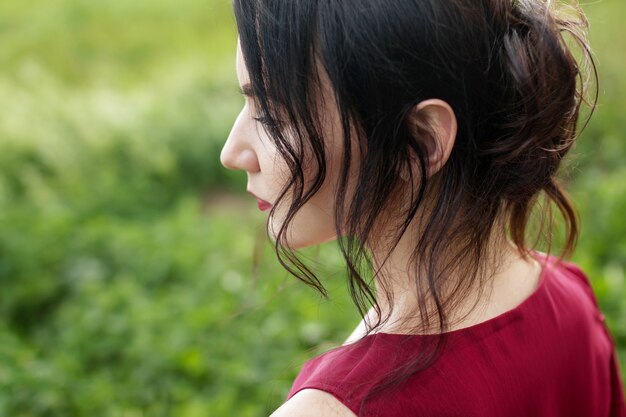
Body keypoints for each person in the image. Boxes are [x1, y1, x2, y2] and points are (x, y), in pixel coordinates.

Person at [220, 0, 626, 416]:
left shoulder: (335, 408)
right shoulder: (572, 302)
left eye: (271, 114)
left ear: (420, 143)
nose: (231, 153)